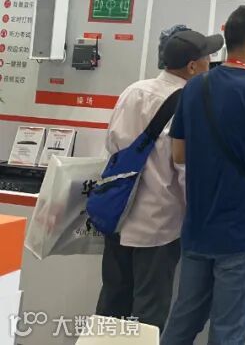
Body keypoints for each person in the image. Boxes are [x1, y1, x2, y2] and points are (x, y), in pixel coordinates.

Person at [161, 5, 245, 345]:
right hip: (241, 233)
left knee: (181, 325)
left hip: (198, 229)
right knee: (228, 332)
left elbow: (178, 154)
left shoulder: (194, 88)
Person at [95, 28, 223, 330]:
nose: (211, 63)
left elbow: (112, 145)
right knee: (149, 314)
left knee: (111, 305)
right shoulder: (190, 102)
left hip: (117, 215)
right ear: (192, 66)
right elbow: (186, 169)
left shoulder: (134, 91)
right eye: (207, 57)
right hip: (159, 225)